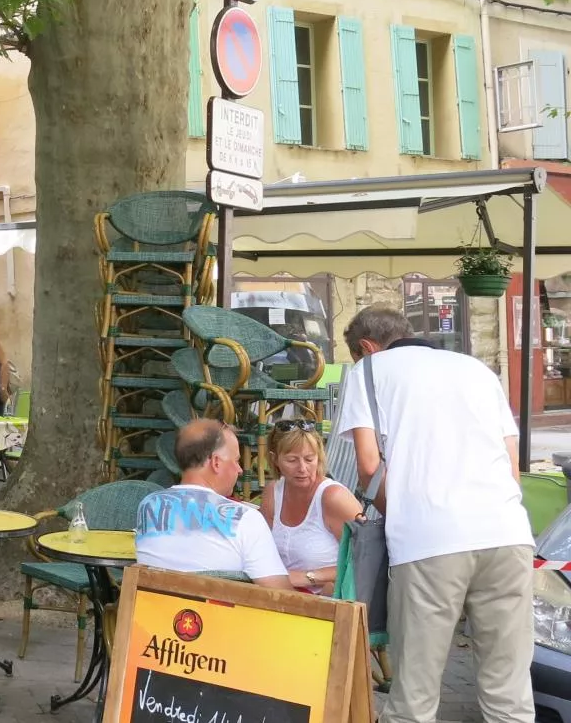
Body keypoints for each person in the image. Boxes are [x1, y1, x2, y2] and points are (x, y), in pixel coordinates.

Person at [336, 305, 534, 723]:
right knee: (509, 694)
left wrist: (401, 516)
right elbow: (511, 466)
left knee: (415, 698)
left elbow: (369, 467)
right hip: (507, 533)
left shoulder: (368, 371)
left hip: (429, 541)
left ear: (367, 347)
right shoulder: (477, 369)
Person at [134, 418, 290, 589]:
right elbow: (279, 594)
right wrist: (313, 577)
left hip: (154, 612)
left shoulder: (149, 505)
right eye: (236, 461)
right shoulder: (247, 519)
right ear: (216, 462)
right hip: (218, 614)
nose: (239, 469)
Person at [257, 420, 360, 594]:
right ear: (275, 460)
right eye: (292, 460)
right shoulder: (273, 492)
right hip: (283, 598)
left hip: (330, 601)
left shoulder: (333, 497)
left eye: (309, 459)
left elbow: (366, 560)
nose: (302, 468)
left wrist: (309, 576)